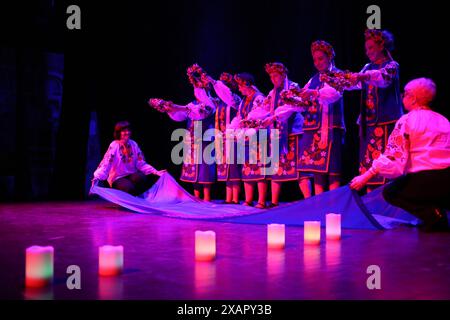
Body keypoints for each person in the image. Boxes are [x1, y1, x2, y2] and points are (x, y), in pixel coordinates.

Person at [350, 78, 450, 232]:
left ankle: (433, 215)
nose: (403, 97)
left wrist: (365, 177)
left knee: (391, 192)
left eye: (405, 94)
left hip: (426, 180)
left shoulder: (408, 120)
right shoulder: (443, 120)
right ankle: (438, 210)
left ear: (413, 98)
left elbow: (392, 155)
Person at [348, 29, 403, 192]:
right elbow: (356, 84)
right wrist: (344, 80)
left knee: (386, 161)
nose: (368, 52)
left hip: (387, 121)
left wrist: (362, 76)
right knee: (368, 161)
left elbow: (382, 79)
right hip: (369, 122)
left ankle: (388, 201)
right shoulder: (367, 67)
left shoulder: (391, 66)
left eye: (371, 48)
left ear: (382, 46)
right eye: (367, 49)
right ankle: (370, 200)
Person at [297, 40, 345, 195]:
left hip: (330, 126)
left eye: (321, 58)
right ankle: (319, 204)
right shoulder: (313, 79)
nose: (317, 63)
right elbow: (303, 96)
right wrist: (294, 98)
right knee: (317, 167)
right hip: (313, 127)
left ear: (329, 57)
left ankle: (333, 204)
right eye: (315, 59)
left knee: (332, 167)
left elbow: (333, 94)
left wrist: (314, 93)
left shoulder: (338, 75)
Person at [262, 62, 312, 207]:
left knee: (299, 169)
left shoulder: (293, 87)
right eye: (271, 76)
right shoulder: (272, 93)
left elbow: (292, 107)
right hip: (277, 134)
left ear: (283, 75)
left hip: (294, 133)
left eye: (275, 75)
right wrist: (256, 119)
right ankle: (274, 202)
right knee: (277, 168)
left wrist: (274, 117)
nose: (273, 79)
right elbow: (264, 108)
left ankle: (309, 200)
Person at [92, 121, 165, 196]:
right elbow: (106, 163)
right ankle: (122, 198)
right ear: (119, 132)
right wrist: (97, 177)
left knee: (141, 177)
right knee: (128, 187)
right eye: (124, 131)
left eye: (128, 130)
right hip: (117, 177)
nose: (127, 132)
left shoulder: (133, 144)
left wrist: (156, 172)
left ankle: (136, 199)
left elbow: (141, 163)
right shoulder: (114, 146)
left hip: (131, 175)